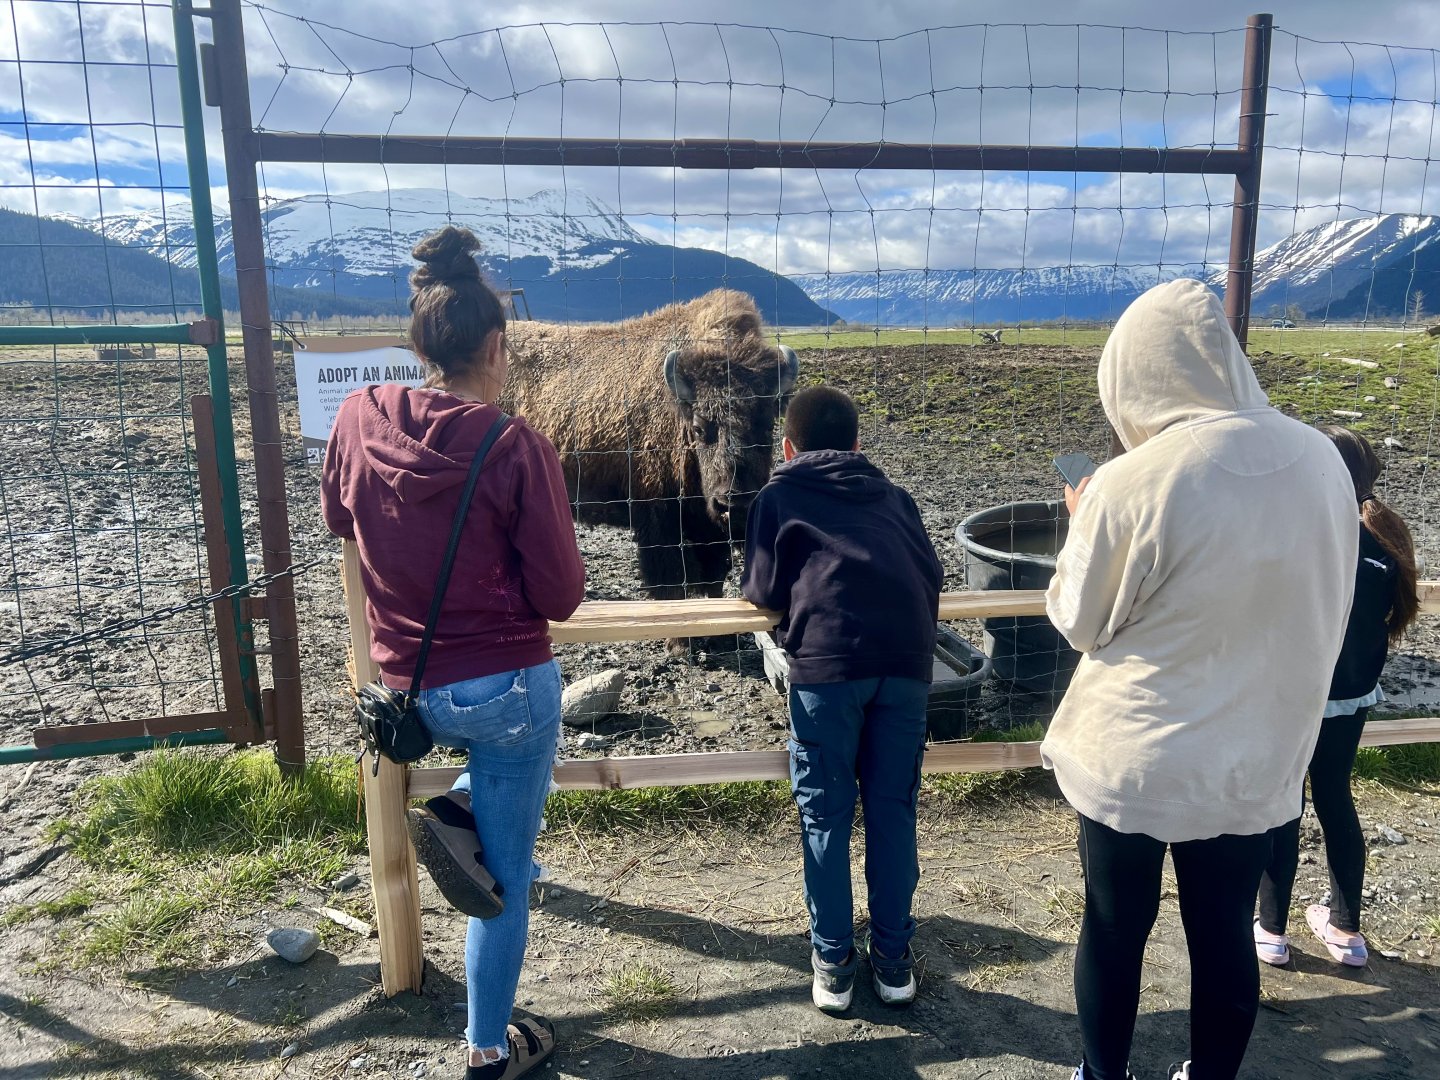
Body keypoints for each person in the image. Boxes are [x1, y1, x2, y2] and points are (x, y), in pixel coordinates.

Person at [1038, 279, 1358, 1080]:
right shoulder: (1323, 461)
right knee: (1222, 934)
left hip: (1136, 757)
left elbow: (1078, 619)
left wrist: (1083, 524)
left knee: (1115, 929)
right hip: (1256, 753)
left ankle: (1103, 1075)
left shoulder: (1134, 480)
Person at [322, 225, 584, 1080]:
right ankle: (486, 1048)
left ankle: (461, 804)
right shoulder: (515, 445)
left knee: (496, 800)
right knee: (503, 880)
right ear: (497, 346)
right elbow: (561, 596)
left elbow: (338, 518)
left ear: (419, 347)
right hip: (505, 692)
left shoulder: (358, 417)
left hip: (405, 693)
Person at [740, 385, 944, 1013]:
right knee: (892, 810)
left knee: (826, 814)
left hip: (828, 668)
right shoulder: (895, 497)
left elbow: (761, 591)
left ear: (786, 447)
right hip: (906, 663)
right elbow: (932, 573)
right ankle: (894, 961)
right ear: (858, 444)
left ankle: (833, 963)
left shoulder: (778, 497)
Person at [1255, 427, 1420, 969]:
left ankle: (1271, 928)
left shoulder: (1307, 530)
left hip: (1295, 692)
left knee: (1285, 802)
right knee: (1335, 799)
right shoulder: (1386, 538)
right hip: (1353, 692)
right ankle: (1347, 930)